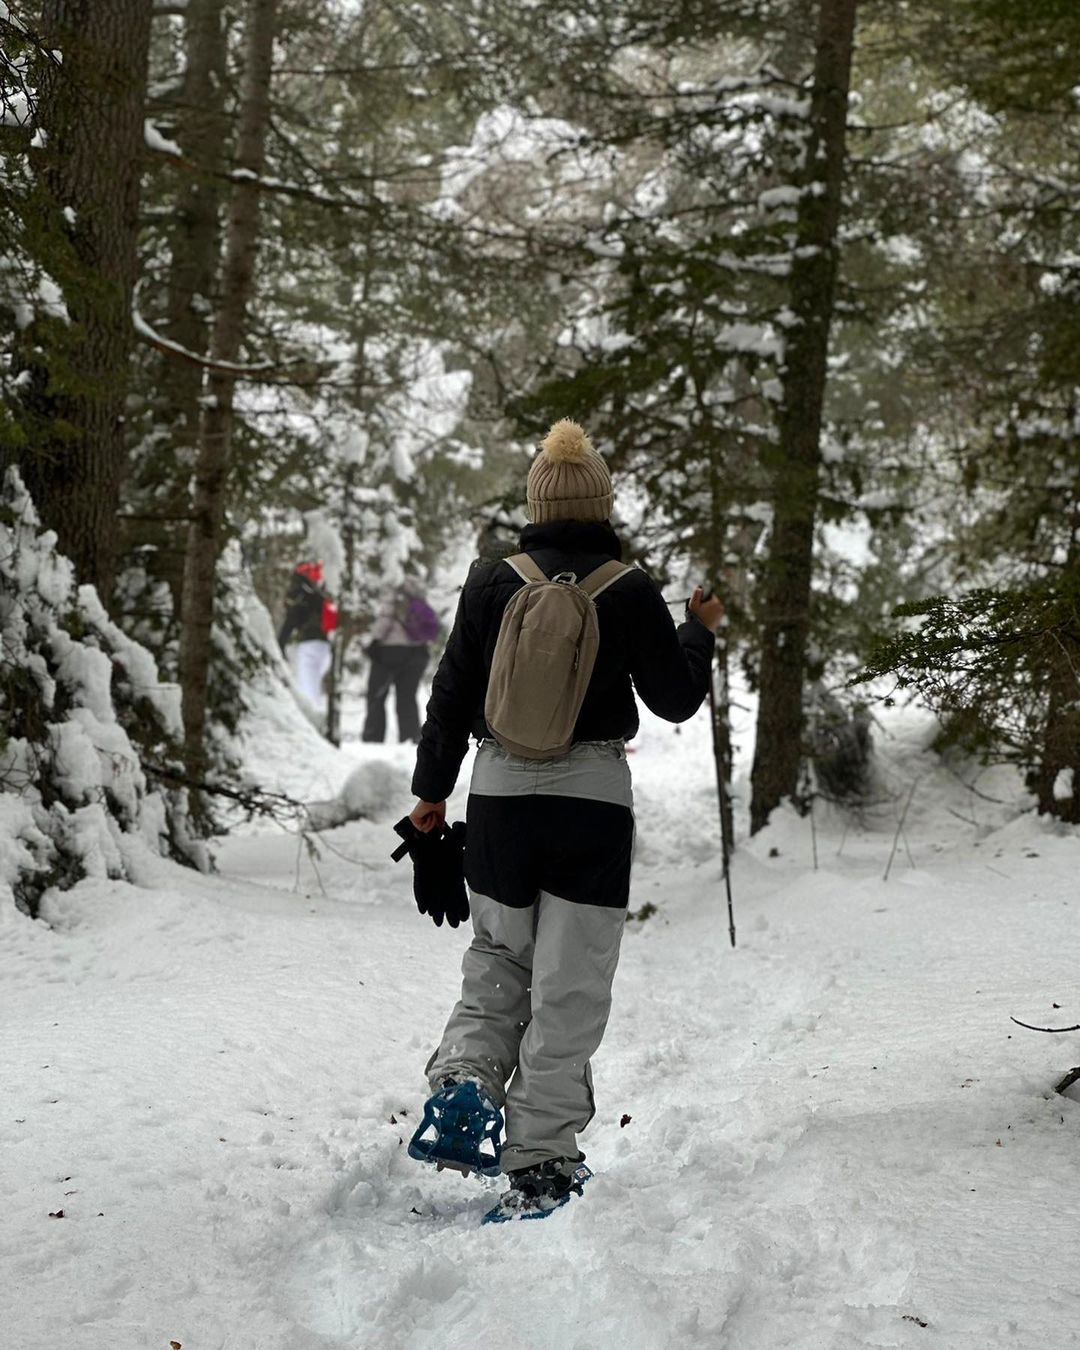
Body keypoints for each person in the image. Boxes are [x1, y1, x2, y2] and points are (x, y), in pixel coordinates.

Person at [404, 417, 724, 1218]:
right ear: (601, 501)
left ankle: (465, 1086)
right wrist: (699, 633)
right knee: (569, 984)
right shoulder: (630, 586)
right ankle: (541, 1156)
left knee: (499, 959)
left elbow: (450, 697)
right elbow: (676, 699)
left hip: (500, 792)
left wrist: (430, 793)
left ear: (538, 503)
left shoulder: (489, 580)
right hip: (591, 800)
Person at [361, 581, 439, 744]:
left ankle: (373, 737)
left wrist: (374, 640)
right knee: (407, 697)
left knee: (376, 694)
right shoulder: (416, 591)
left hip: (390, 651)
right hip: (418, 652)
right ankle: (410, 737)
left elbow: (386, 618)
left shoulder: (392, 586)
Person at [278, 560, 336, 709]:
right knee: (313, 687)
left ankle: (315, 725)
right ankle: (319, 721)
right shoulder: (320, 594)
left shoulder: (301, 595)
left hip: (309, 647)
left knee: (308, 692)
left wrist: (280, 644)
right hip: (325, 648)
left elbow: (291, 620)